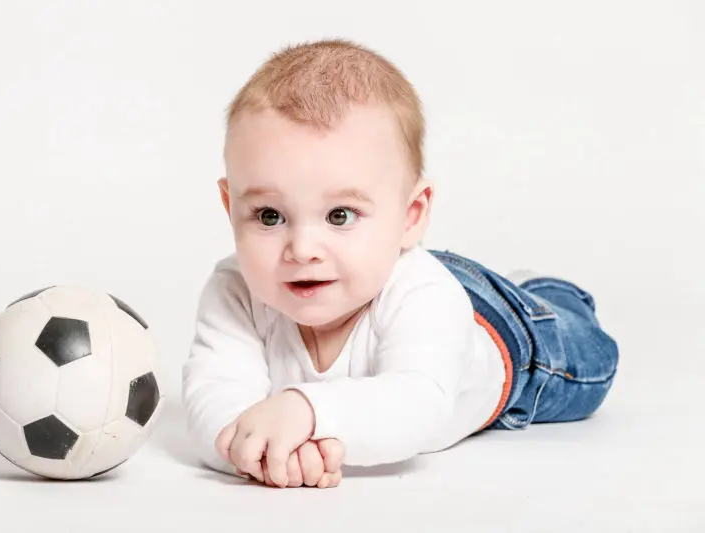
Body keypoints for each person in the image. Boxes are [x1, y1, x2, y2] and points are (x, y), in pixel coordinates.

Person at [181, 38, 619, 489]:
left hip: (504, 333)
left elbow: (418, 407)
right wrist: (260, 451)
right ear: (230, 206)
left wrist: (307, 412)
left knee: (590, 358)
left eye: (339, 215)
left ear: (411, 215)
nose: (303, 249)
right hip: (390, 270)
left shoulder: (426, 296)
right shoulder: (235, 290)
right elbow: (213, 395)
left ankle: (544, 292)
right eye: (270, 216)